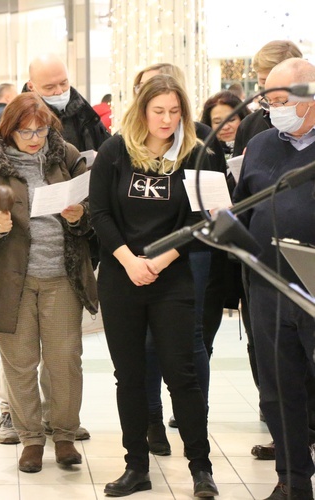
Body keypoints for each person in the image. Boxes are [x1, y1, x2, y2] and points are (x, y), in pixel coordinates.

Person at [89, 74, 217, 497]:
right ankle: (136, 467)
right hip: (121, 275)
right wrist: (128, 260)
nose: (167, 119)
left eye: (175, 111)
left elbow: (202, 221)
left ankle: (201, 468)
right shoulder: (114, 152)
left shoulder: (198, 155)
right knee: (129, 376)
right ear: (142, 110)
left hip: (171, 276)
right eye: (158, 111)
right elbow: (101, 214)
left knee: (182, 374)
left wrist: (159, 260)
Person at [0, 92, 97, 473]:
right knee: (20, 364)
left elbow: (92, 212)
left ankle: (66, 435)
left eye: (41, 130)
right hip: (11, 282)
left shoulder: (67, 156)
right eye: (26, 132)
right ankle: (31, 439)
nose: (35, 138)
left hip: (61, 277)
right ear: (9, 131)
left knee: (65, 361)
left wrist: (77, 216)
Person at [131, 62, 226, 457]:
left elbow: (215, 209)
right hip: (143, 254)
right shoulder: (128, 143)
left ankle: (193, 417)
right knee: (148, 341)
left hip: (192, 253)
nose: (164, 115)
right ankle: (153, 420)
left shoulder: (201, 140)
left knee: (191, 338)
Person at [234, 58, 315, 500]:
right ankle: (292, 481)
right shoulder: (262, 144)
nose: (274, 109)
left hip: (313, 287)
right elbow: (245, 203)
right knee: (278, 388)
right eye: (270, 101)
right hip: (267, 284)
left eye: (283, 101)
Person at [24, 53, 110, 152]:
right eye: (49, 87)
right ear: (31, 87)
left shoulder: (85, 113)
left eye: (63, 83)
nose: (59, 91)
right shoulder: (19, 119)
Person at [233, 40, 303, 158]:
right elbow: (236, 174)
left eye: (277, 82)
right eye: (264, 81)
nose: (269, 88)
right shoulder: (249, 125)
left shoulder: (309, 122)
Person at [201, 91, 250, 157]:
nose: (225, 127)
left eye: (231, 120)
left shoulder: (256, 146)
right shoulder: (201, 154)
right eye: (217, 122)